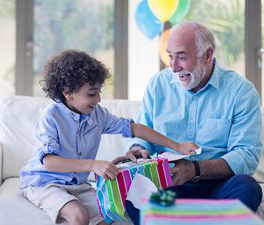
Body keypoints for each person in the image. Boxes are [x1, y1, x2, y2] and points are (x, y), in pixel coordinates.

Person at [19, 50, 199, 225]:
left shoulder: (98, 115)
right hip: (44, 183)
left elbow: (135, 128)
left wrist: (178, 146)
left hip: (78, 185)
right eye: (91, 93)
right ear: (68, 92)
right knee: (79, 214)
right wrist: (93, 164)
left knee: (113, 217)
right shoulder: (51, 116)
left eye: (99, 92)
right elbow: (49, 162)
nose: (98, 99)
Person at [123, 21, 263, 224]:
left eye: (181, 57)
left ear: (208, 55)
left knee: (248, 187)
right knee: (135, 197)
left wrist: (195, 169)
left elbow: (245, 156)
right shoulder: (158, 85)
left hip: (218, 187)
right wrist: (137, 149)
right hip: (170, 187)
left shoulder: (241, 92)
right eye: (170, 56)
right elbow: (143, 135)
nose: (173, 66)